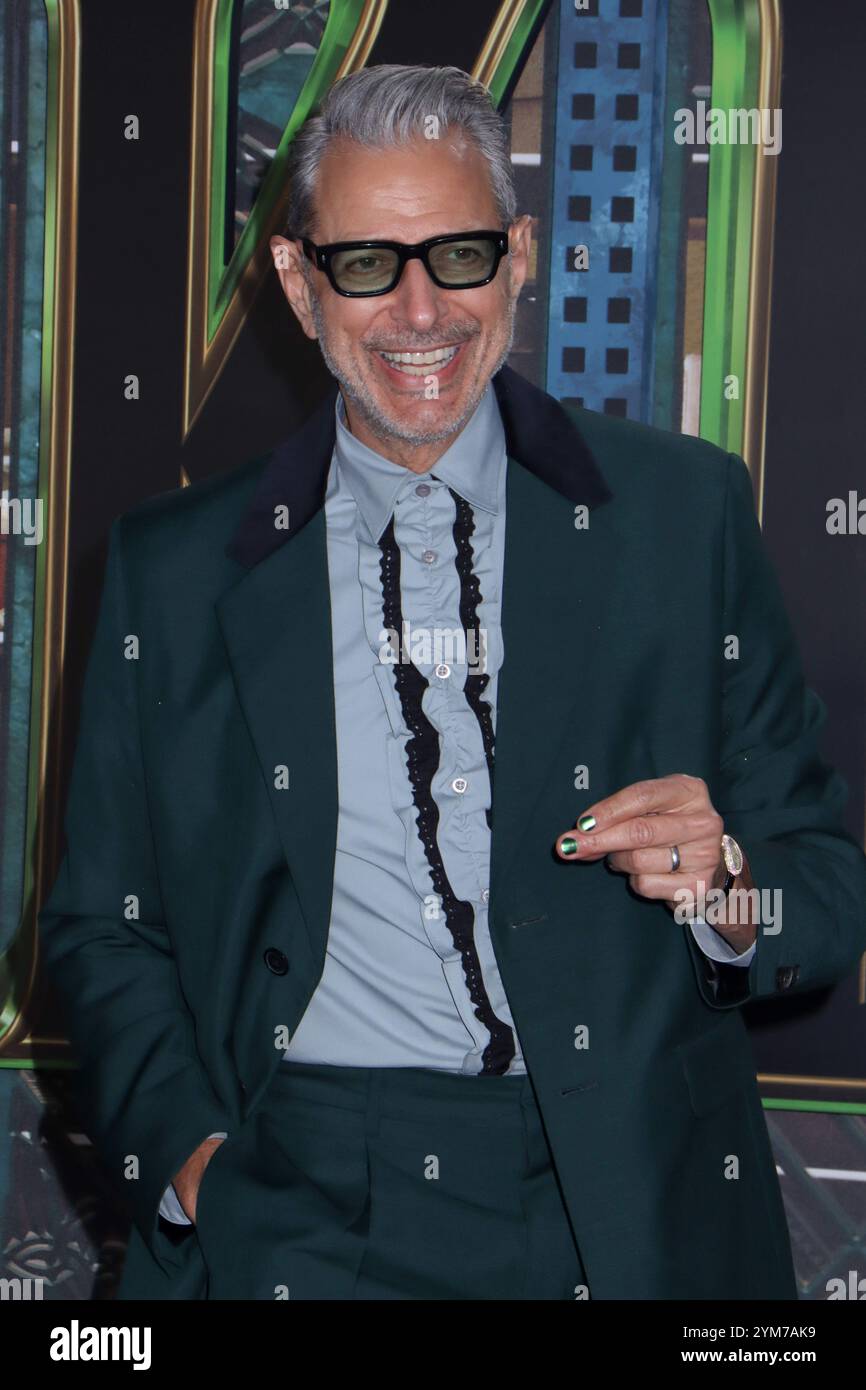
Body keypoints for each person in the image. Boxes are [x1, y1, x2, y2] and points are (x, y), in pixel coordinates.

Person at [39, 64, 866, 1301]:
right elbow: (103, 925)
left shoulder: (680, 514)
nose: (419, 312)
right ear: (296, 283)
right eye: (367, 263)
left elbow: (822, 888)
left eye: (460, 255)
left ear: (521, 257)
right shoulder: (174, 570)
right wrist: (203, 1166)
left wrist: (729, 890)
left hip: (629, 1197)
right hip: (301, 1198)